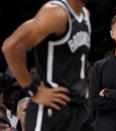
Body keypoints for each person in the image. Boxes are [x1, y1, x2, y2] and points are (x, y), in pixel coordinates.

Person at [2, 0, 93, 130]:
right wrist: (33, 91)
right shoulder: (56, 13)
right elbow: (11, 46)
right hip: (52, 109)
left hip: (78, 107)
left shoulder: (85, 14)